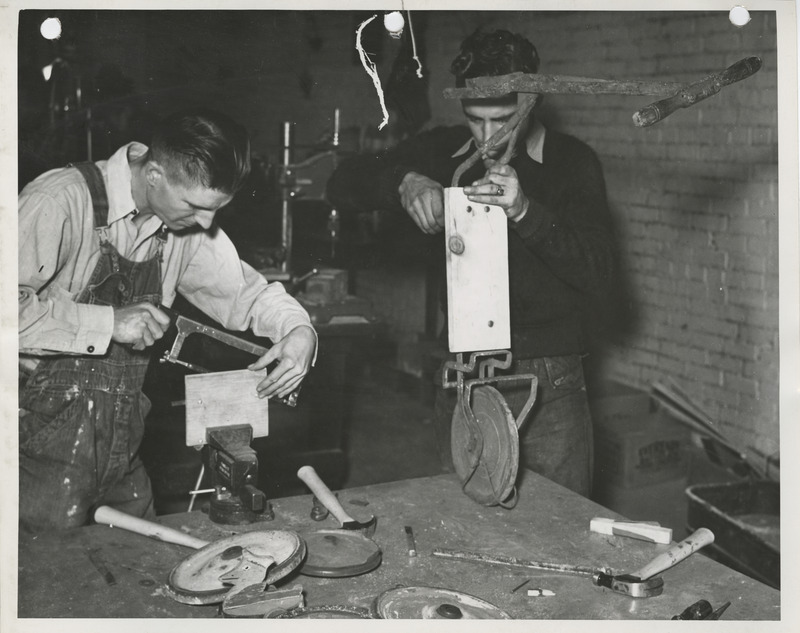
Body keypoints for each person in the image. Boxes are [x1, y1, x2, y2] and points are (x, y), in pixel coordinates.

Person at [326, 29, 618, 498]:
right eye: (475, 121)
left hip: (550, 380)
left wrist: (527, 212)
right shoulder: (442, 151)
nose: (487, 139)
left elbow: (601, 275)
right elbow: (341, 183)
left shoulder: (573, 163)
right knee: (467, 519)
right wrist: (403, 181)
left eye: (502, 120)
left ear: (531, 102)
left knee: (562, 527)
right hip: (464, 371)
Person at [18, 109, 317, 532]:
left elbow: (246, 294)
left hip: (121, 450)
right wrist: (108, 323)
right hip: (32, 451)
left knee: (145, 568)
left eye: (216, 210)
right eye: (195, 205)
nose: (206, 223)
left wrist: (297, 329)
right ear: (154, 174)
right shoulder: (59, 201)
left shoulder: (184, 224)